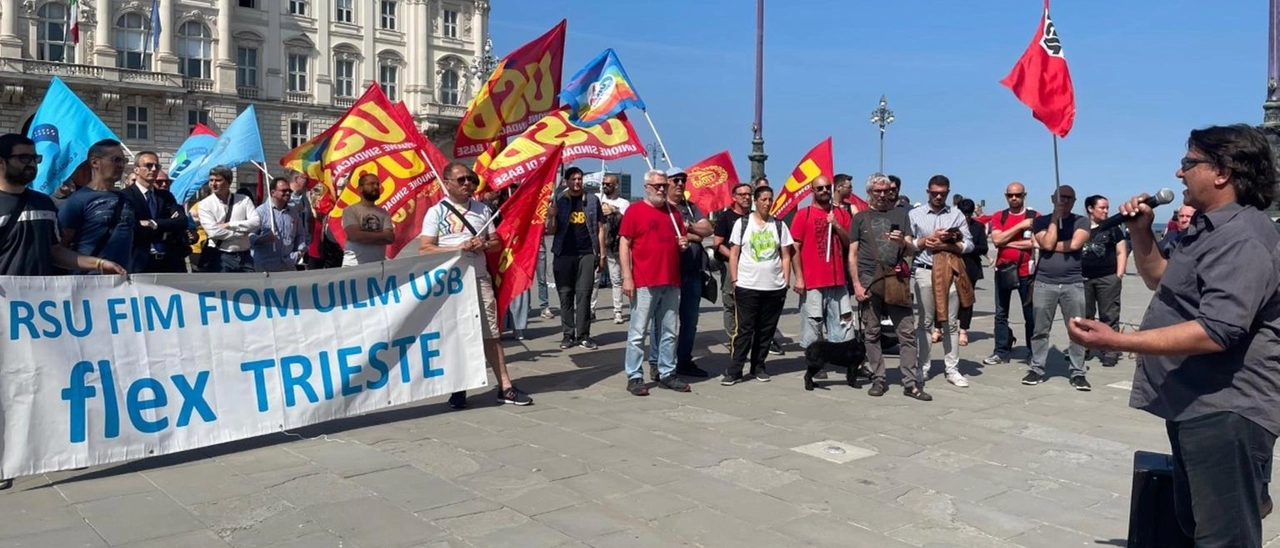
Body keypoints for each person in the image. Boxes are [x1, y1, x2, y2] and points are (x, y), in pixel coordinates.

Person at [1069, 125, 1280, 546]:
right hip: (1194, 402)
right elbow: (1160, 279)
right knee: (1194, 522)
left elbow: (1218, 331)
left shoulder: (1244, 237)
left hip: (1227, 411)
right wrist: (1142, 231)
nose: (1179, 173)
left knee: (1225, 538)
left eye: (1189, 163)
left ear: (1222, 172)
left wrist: (1116, 341)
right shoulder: (1208, 227)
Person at [420, 162, 532, 407]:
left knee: (491, 333)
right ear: (447, 183)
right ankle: (458, 388)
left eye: (470, 179)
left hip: (479, 278)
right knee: (455, 334)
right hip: (451, 283)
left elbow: (496, 242)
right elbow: (425, 248)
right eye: (460, 180)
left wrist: (483, 245)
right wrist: (457, 247)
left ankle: (505, 386)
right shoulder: (436, 212)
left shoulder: (482, 209)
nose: (467, 184)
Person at [618, 170, 692, 396]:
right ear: (647, 187)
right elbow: (624, 244)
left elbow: (680, 243)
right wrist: (627, 277)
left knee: (670, 330)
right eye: (657, 185)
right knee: (639, 331)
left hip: (670, 279)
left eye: (663, 185)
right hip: (644, 281)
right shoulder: (635, 211)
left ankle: (666, 372)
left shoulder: (673, 213)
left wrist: (683, 245)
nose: (661, 189)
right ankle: (634, 375)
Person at [850, 174, 924, 400]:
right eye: (877, 191)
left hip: (896, 279)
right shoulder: (860, 218)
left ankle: (910, 382)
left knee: (907, 332)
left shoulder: (901, 215)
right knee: (872, 332)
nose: (882, 195)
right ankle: (879, 378)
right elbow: (852, 254)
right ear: (869, 193)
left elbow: (912, 249)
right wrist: (856, 285)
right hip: (869, 279)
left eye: (886, 190)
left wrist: (902, 242)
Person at [723, 185, 793, 385]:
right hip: (747, 285)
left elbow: (786, 255)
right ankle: (735, 370)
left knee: (766, 329)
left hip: (774, 287)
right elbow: (734, 253)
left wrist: (785, 281)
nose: (767, 203)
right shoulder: (742, 224)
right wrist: (735, 280)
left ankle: (758, 366)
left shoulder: (779, 225)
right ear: (756, 201)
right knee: (745, 329)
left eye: (770, 199)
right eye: (763, 199)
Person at [907, 175, 973, 388]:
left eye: (942, 194)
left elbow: (970, 244)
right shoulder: (915, 214)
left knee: (951, 323)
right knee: (925, 322)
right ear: (927, 191)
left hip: (950, 269)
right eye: (934, 193)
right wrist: (926, 241)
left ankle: (952, 369)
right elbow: (909, 245)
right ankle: (922, 367)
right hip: (925, 271)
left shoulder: (956, 214)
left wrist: (951, 245)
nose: (938, 196)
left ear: (948, 192)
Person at [1023, 185, 1091, 389]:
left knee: (1077, 331)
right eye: (1061, 197)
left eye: (1069, 197)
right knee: (1040, 329)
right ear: (1053, 198)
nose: (1065, 201)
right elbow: (1046, 241)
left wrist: (1049, 246)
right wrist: (1055, 218)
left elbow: (1075, 244)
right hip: (1045, 282)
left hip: (1073, 283)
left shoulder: (1082, 221)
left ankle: (1078, 371)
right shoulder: (1041, 221)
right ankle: (1037, 368)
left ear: (1075, 200)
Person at [649, 168, 713, 377]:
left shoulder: (690, 208)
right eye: (675, 180)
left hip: (692, 273)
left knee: (690, 319)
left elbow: (707, 230)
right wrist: (693, 235)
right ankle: (657, 362)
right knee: (663, 320)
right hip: (668, 273)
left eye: (683, 180)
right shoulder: (661, 208)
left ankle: (684, 359)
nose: (679, 184)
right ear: (666, 183)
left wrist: (689, 227)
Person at [790, 175, 854, 354]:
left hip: (838, 281)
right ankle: (814, 363)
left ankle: (844, 359)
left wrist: (837, 225)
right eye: (820, 188)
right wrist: (799, 278)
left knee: (844, 323)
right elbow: (795, 247)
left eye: (827, 187)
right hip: (813, 281)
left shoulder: (841, 213)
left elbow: (850, 243)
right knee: (813, 323)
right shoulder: (804, 214)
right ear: (813, 191)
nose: (824, 191)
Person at [545, 167, 605, 349]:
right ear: (567, 181)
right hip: (563, 253)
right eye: (573, 179)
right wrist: (551, 216)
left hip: (586, 253)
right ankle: (568, 334)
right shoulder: (560, 200)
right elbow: (551, 230)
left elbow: (600, 228)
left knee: (584, 295)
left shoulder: (593, 201)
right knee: (565, 295)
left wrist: (601, 255)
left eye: (579, 179)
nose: (577, 182)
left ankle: (584, 335)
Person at [59, 139, 136, 274]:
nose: (121, 165)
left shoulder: (126, 199)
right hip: (89, 284)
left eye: (124, 160)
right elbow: (59, 248)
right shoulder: (77, 201)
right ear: (95, 162)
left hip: (123, 283)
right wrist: (96, 264)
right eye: (116, 160)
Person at [984, 182, 1038, 365]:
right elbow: (996, 239)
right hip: (1004, 269)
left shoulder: (1034, 216)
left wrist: (1007, 242)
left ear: (1024, 195)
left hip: (1026, 272)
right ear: (1006, 196)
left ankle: (1032, 351)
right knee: (1000, 313)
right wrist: (1020, 226)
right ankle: (1001, 351)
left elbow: (1035, 243)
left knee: (1029, 314)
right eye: (1010, 195)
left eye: (1018, 195)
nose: (1014, 198)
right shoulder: (1000, 215)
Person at [122, 151, 188, 273]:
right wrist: (167, 223)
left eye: (157, 166)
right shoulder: (125, 196)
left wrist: (153, 223)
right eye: (148, 165)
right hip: (138, 262)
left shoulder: (165, 196)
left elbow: (181, 222)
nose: (153, 169)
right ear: (136, 170)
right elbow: (130, 225)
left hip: (168, 262)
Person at [1081, 195, 1127, 367]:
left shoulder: (1112, 228)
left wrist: (1119, 275)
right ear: (1090, 209)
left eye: (1107, 208)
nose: (1106, 211)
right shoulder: (1080, 227)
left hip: (1107, 278)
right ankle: (1083, 348)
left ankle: (1110, 350)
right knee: (1084, 315)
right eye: (1102, 208)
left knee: (1109, 315)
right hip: (1083, 278)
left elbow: (1121, 251)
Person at [197, 165, 261, 272]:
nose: (213, 184)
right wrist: (241, 234)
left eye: (218, 180)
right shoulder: (205, 205)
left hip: (244, 257)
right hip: (220, 257)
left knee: (249, 286)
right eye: (211, 180)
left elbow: (256, 222)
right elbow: (214, 232)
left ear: (229, 181)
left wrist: (230, 225)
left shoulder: (244, 200)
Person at [713, 183, 754, 345]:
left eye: (748, 194)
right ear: (734, 197)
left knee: (748, 303)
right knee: (730, 302)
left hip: (751, 267)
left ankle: (747, 336)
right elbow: (717, 243)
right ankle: (733, 338)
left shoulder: (753, 217)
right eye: (742, 194)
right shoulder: (726, 217)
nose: (746, 197)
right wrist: (733, 258)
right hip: (731, 266)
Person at [251, 177, 308, 272]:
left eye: (289, 190)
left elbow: (300, 234)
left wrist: (300, 251)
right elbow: (248, 237)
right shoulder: (259, 212)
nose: (288, 193)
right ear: (273, 193)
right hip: (265, 269)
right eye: (284, 190)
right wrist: (262, 239)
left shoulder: (293, 213)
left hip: (288, 267)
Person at [595, 173, 630, 324]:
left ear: (616, 186)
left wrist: (614, 211)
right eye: (603, 184)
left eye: (608, 184)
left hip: (614, 244)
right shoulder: (597, 199)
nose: (605, 187)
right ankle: (591, 310)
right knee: (594, 278)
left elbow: (627, 220)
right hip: (598, 244)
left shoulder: (623, 203)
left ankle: (618, 311)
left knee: (616, 279)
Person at [341, 174, 394, 266]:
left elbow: (390, 238)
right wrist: (382, 235)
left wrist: (365, 237)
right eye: (371, 184)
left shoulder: (384, 213)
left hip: (378, 266)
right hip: (353, 265)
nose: (376, 187)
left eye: (377, 184)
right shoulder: (350, 210)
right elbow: (355, 236)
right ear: (360, 188)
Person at [956, 199, 988, 346]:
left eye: (968, 214)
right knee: (945, 297)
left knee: (967, 300)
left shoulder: (978, 226)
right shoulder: (952, 226)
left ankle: (963, 330)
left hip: (971, 266)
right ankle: (939, 328)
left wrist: (967, 247)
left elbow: (984, 248)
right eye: (963, 214)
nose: (966, 217)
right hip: (953, 265)